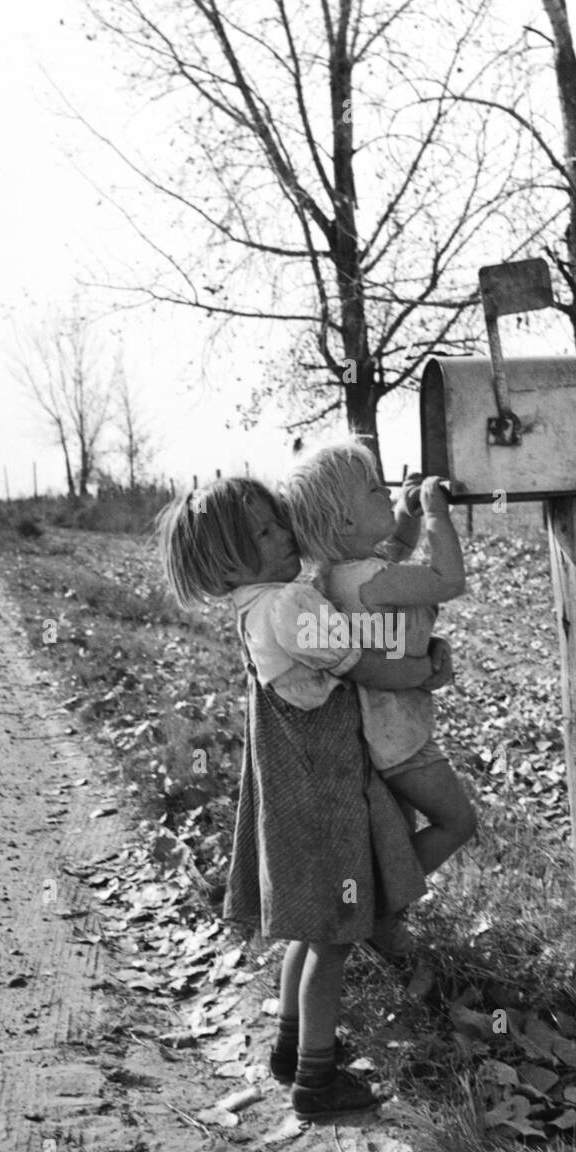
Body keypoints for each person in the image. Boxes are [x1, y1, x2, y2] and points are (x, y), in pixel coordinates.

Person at [155, 477, 450, 1119]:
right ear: (226, 562)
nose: (285, 534)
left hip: (297, 785)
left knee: (310, 929)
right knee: (334, 939)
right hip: (325, 788)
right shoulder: (288, 605)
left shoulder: (256, 606)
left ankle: (289, 1047)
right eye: (264, 532)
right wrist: (423, 671)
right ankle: (316, 1083)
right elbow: (361, 664)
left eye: (279, 522)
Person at [283, 443, 477, 895]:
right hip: (399, 739)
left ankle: (383, 919)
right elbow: (449, 581)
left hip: (376, 732)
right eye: (375, 489)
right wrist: (435, 516)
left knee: (396, 835)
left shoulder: (340, 575)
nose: (385, 491)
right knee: (457, 821)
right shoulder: (374, 580)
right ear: (347, 522)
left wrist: (405, 515)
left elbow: (395, 547)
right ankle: (382, 902)